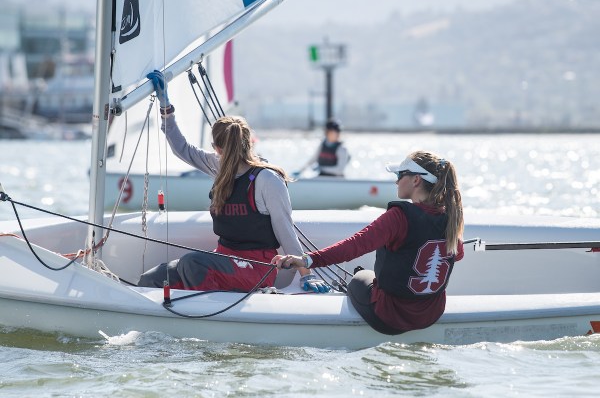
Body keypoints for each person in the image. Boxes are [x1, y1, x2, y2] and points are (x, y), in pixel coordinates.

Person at [138, 70, 329, 293]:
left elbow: (286, 230)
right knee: (151, 279)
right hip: (226, 260)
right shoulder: (218, 166)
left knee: (192, 263)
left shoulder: (267, 180)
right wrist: (166, 109)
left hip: (257, 269)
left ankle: (205, 319)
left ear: (218, 148)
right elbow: (182, 149)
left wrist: (307, 273)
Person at [272, 151, 464, 334]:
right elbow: (458, 254)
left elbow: (355, 246)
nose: (397, 180)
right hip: (430, 315)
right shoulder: (451, 218)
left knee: (360, 277)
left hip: (390, 317)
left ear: (416, 180)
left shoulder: (399, 217)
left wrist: (306, 260)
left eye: (400, 174)